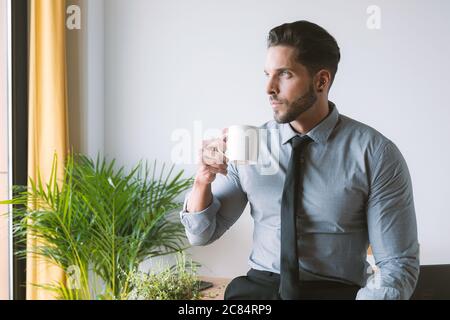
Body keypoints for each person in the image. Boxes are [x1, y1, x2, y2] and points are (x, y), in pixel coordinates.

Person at [180, 20, 419, 300]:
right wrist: (203, 180)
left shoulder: (376, 154)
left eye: (285, 75)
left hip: (334, 291)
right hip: (259, 290)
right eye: (267, 74)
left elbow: (397, 265)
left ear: (321, 81)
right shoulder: (250, 145)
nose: (269, 88)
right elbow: (202, 234)